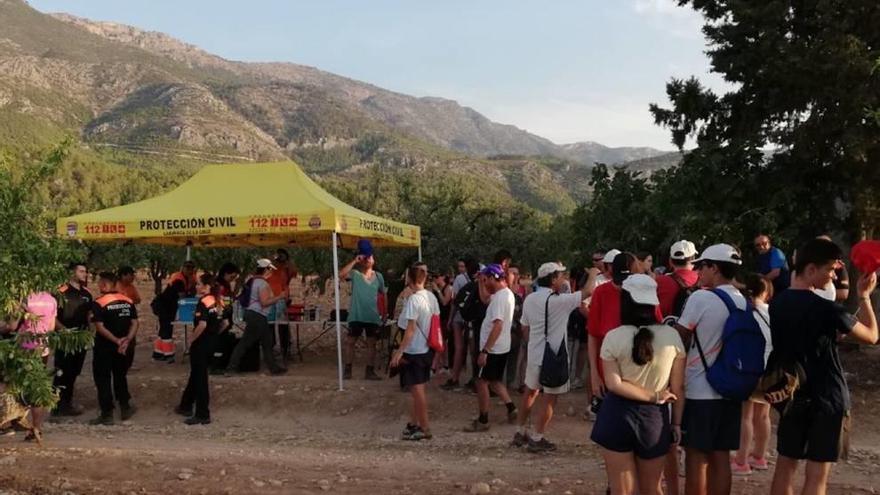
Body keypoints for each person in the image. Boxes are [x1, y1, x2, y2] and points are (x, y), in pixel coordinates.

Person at [769, 238, 878, 495]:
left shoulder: (777, 304)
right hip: (828, 396)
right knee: (817, 475)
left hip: (792, 393)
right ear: (810, 269)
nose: (832, 277)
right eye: (829, 270)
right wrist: (864, 297)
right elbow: (872, 336)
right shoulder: (828, 309)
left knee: (785, 466)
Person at [591, 274, 686, 495]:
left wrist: (653, 396)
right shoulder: (672, 337)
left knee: (622, 490)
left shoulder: (613, 337)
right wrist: (676, 425)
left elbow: (613, 384)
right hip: (654, 420)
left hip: (617, 416)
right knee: (652, 488)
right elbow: (679, 388)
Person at [672, 243, 745, 495]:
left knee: (696, 459)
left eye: (702, 265)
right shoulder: (742, 300)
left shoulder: (701, 297)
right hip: (730, 388)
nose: (698, 270)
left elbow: (679, 336)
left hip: (700, 390)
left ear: (714, 267)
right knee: (721, 458)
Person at [512, 262, 591, 452]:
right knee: (551, 397)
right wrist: (594, 273)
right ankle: (538, 437)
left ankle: (520, 431)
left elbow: (525, 326)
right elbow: (588, 292)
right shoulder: (561, 301)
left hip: (535, 354)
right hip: (554, 356)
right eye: (561, 276)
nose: (563, 279)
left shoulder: (530, 299)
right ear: (553, 279)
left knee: (530, 392)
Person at [463, 264, 517, 432]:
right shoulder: (503, 294)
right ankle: (511, 408)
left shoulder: (501, 298)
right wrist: (480, 282)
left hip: (493, 348)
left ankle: (483, 419)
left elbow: (498, 325)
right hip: (501, 346)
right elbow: (485, 299)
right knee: (494, 381)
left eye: (486, 280)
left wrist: (485, 351)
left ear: (494, 278)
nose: (485, 283)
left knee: (481, 382)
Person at [391, 263, 440, 441]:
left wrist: (399, 351)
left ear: (409, 279)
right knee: (417, 389)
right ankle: (414, 422)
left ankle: (425, 427)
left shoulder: (413, 300)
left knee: (418, 391)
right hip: (427, 348)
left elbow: (409, 329)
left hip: (415, 350)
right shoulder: (431, 297)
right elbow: (436, 322)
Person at [732, 273, 774, 476]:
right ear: (767, 293)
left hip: (750, 369)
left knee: (745, 416)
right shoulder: (772, 313)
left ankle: (741, 460)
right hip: (771, 370)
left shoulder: (746, 313)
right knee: (764, 415)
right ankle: (759, 456)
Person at [89, 272, 139, 425]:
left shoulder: (98, 303)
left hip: (105, 347)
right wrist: (127, 340)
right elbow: (135, 323)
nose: (98, 286)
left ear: (105, 284)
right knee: (120, 376)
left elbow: (99, 326)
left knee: (103, 378)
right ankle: (125, 407)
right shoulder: (127, 301)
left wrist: (116, 340)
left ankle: (107, 414)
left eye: (99, 283)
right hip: (123, 347)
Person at [226, 259, 288, 375]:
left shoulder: (252, 281)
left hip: (253, 314)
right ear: (265, 269)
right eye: (270, 269)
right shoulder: (262, 283)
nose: (271, 272)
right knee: (246, 342)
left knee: (267, 341)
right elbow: (264, 302)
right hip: (258, 315)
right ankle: (231, 368)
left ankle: (274, 368)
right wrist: (280, 296)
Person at [176, 273, 222, 425]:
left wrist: (191, 340)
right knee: (196, 375)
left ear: (206, 286)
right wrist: (214, 335)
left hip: (201, 344)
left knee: (200, 378)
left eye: (198, 284)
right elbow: (225, 323)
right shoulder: (217, 301)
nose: (196, 286)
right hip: (212, 342)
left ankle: (202, 414)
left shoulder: (203, 302)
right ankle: (185, 405)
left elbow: (202, 324)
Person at [339, 240, 386, 381]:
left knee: (372, 344)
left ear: (374, 259)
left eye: (369, 257)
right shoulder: (355, 274)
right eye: (365, 258)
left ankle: (369, 372)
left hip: (372, 317)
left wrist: (383, 313)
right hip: (356, 315)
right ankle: (348, 370)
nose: (367, 260)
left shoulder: (379, 276)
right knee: (350, 342)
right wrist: (355, 260)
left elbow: (383, 294)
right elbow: (341, 274)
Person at [52, 262, 93, 417]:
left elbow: (89, 315)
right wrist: (64, 331)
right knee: (61, 371)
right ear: (72, 273)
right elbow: (53, 316)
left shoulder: (87, 293)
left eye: (86, 271)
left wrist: (90, 334)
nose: (85, 274)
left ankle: (67, 403)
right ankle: (56, 405)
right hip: (64, 339)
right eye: (82, 271)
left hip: (81, 339)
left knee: (74, 372)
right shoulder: (60, 292)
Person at [442, 258, 481, 390]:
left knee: (459, 348)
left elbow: (455, 301)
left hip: (459, 317)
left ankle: (455, 377)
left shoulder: (459, 279)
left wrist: (450, 319)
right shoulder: (482, 277)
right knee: (474, 349)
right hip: (474, 318)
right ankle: (475, 378)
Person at [152, 261, 196, 362]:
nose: (190, 270)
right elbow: (182, 297)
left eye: (191, 268)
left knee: (164, 328)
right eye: (187, 268)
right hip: (163, 306)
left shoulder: (188, 279)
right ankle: (168, 355)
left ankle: (157, 353)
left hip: (169, 306)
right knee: (166, 328)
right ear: (183, 268)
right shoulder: (179, 280)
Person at [656, 240, 700, 319]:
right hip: (692, 330)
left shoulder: (659, 281)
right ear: (693, 260)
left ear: (670, 261)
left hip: (665, 329)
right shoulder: (703, 281)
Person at [266, 249, 295, 360]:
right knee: (270, 325)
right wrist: (273, 259)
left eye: (282, 256)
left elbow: (293, 271)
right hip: (269, 298)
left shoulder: (287, 268)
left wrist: (287, 260)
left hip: (282, 299)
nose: (280, 258)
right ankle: (271, 349)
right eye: (279, 256)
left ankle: (285, 350)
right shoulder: (270, 267)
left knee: (283, 326)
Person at [116, 266, 141, 370]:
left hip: (129, 317)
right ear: (123, 275)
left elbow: (138, 299)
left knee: (131, 341)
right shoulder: (115, 286)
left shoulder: (131, 287)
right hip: (117, 318)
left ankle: (128, 365)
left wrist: (128, 301)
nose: (133, 277)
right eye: (131, 275)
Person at [431, 272, 454, 373]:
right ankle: (444, 365)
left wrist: (437, 290)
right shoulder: (437, 289)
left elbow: (445, 302)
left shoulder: (448, 288)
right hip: (438, 317)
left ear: (443, 277)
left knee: (441, 342)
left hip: (445, 318)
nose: (435, 279)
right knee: (442, 342)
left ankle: (434, 366)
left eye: (437, 277)